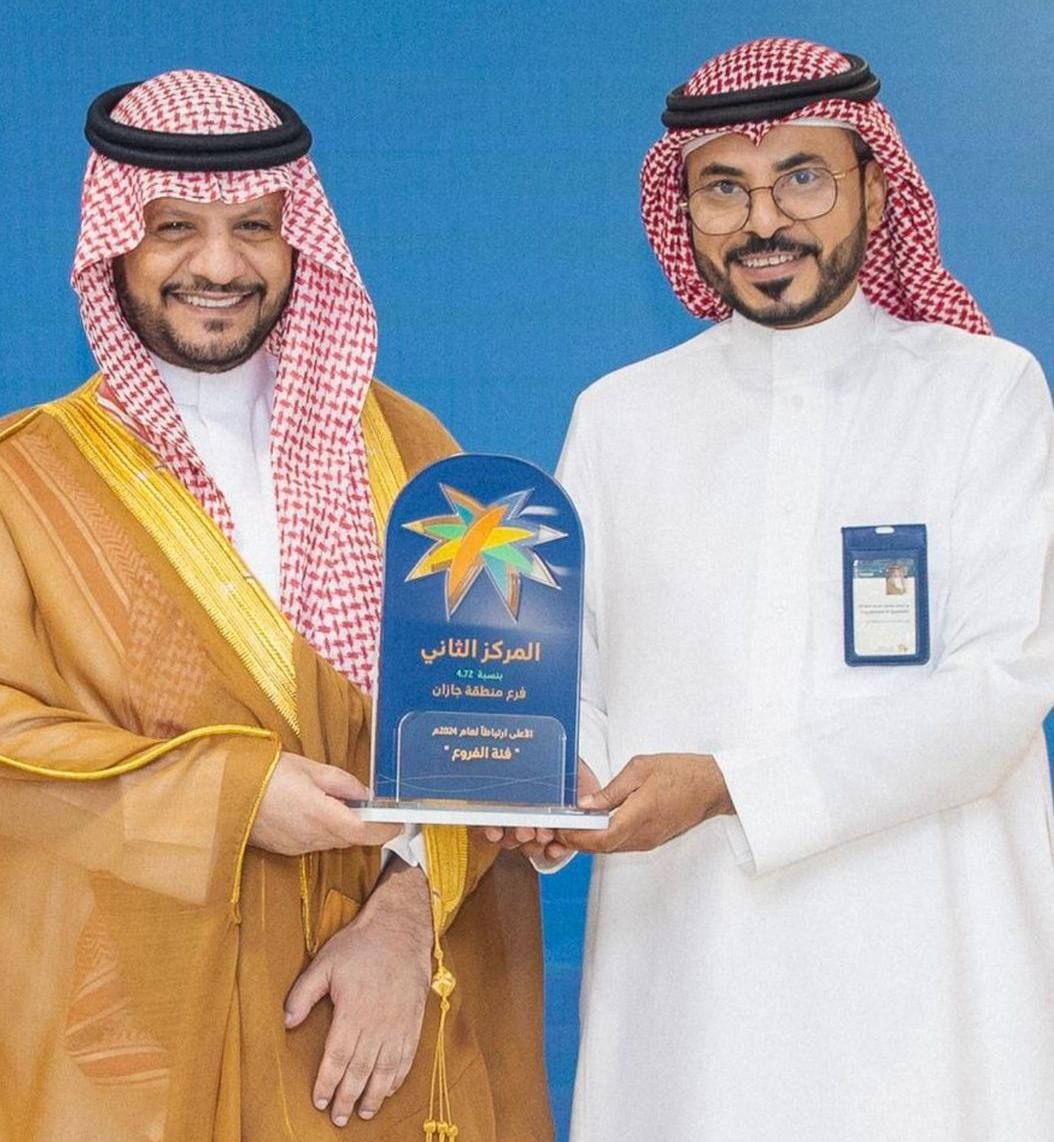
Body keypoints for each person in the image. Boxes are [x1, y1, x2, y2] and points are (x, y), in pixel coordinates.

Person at [505, 36, 1054, 1141]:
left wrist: (728, 786)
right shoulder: (620, 416)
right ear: (686, 211)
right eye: (724, 188)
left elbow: (999, 688)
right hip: (691, 971)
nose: (764, 221)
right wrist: (560, 782)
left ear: (874, 190)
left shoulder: (981, 392)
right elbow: (575, 671)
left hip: (927, 957)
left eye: (802, 177)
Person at [0, 70, 551, 1141]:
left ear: (300, 241)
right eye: (174, 227)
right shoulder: (25, 481)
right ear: (114, 243)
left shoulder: (417, 455)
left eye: (254, 226)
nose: (219, 265)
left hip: (388, 1032)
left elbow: (494, 724)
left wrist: (407, 911)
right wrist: (236, 795)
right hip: (146, 1043)